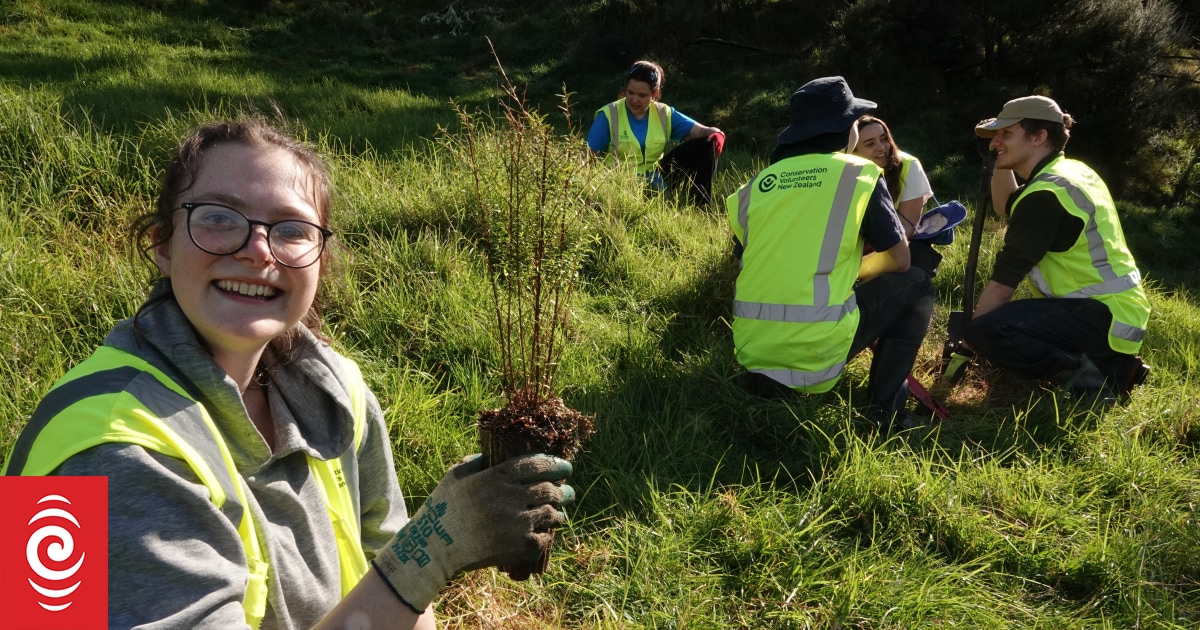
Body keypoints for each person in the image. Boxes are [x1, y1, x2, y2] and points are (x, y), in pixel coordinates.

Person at [2, 119, 575, 629]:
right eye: (219, 218)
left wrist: (418, 561)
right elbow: (405, 574)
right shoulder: (105, 454)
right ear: (161, 244)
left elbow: (389, 566)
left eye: (292, 229)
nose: (258, 250)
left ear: (320, 260)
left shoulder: (334, 388)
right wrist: (432, 553)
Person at [725, 76, 935, 429]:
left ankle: (774, 384)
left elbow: (757, 258)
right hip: (814, 348)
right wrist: (856, 273)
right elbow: (900, 260)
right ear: (847, 130)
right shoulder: (860, 174)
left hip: (751, 350)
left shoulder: (757, 185)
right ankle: (885, 413)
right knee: (917, 282)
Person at [966, 95, 1151, 404]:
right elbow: (1004, 204)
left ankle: (1089, 384)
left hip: (1104, 316)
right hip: (1115, 312)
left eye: (1005, 134)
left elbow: (1002, 286)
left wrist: (971, 343)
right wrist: (999, 156)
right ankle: (1112, 366)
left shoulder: (1046, 195)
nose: (995, 141)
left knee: (988, 330)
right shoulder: (1069, 172)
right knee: (995, 327)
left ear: (1039, 137)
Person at [587, 59, 725, 203]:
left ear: (654, 94)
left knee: (707, 144)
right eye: (630, 92)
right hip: (620, 184)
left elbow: (706, 132)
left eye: (642, 95)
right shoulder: (609, 114)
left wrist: (718, 136)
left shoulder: (663, 113)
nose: (634, 100)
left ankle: (701, 207)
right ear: (625, 89)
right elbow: (585, 160)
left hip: (657, 178)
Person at [852, 115, 943, 276]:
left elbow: (907, 227)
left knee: (915, 259)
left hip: (895, 243)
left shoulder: (908, 166)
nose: (881, 147)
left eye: (884, 139)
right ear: (853, 151)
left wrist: (867, 261)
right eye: (870, 144)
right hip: (853, 247)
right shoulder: (845, 171)